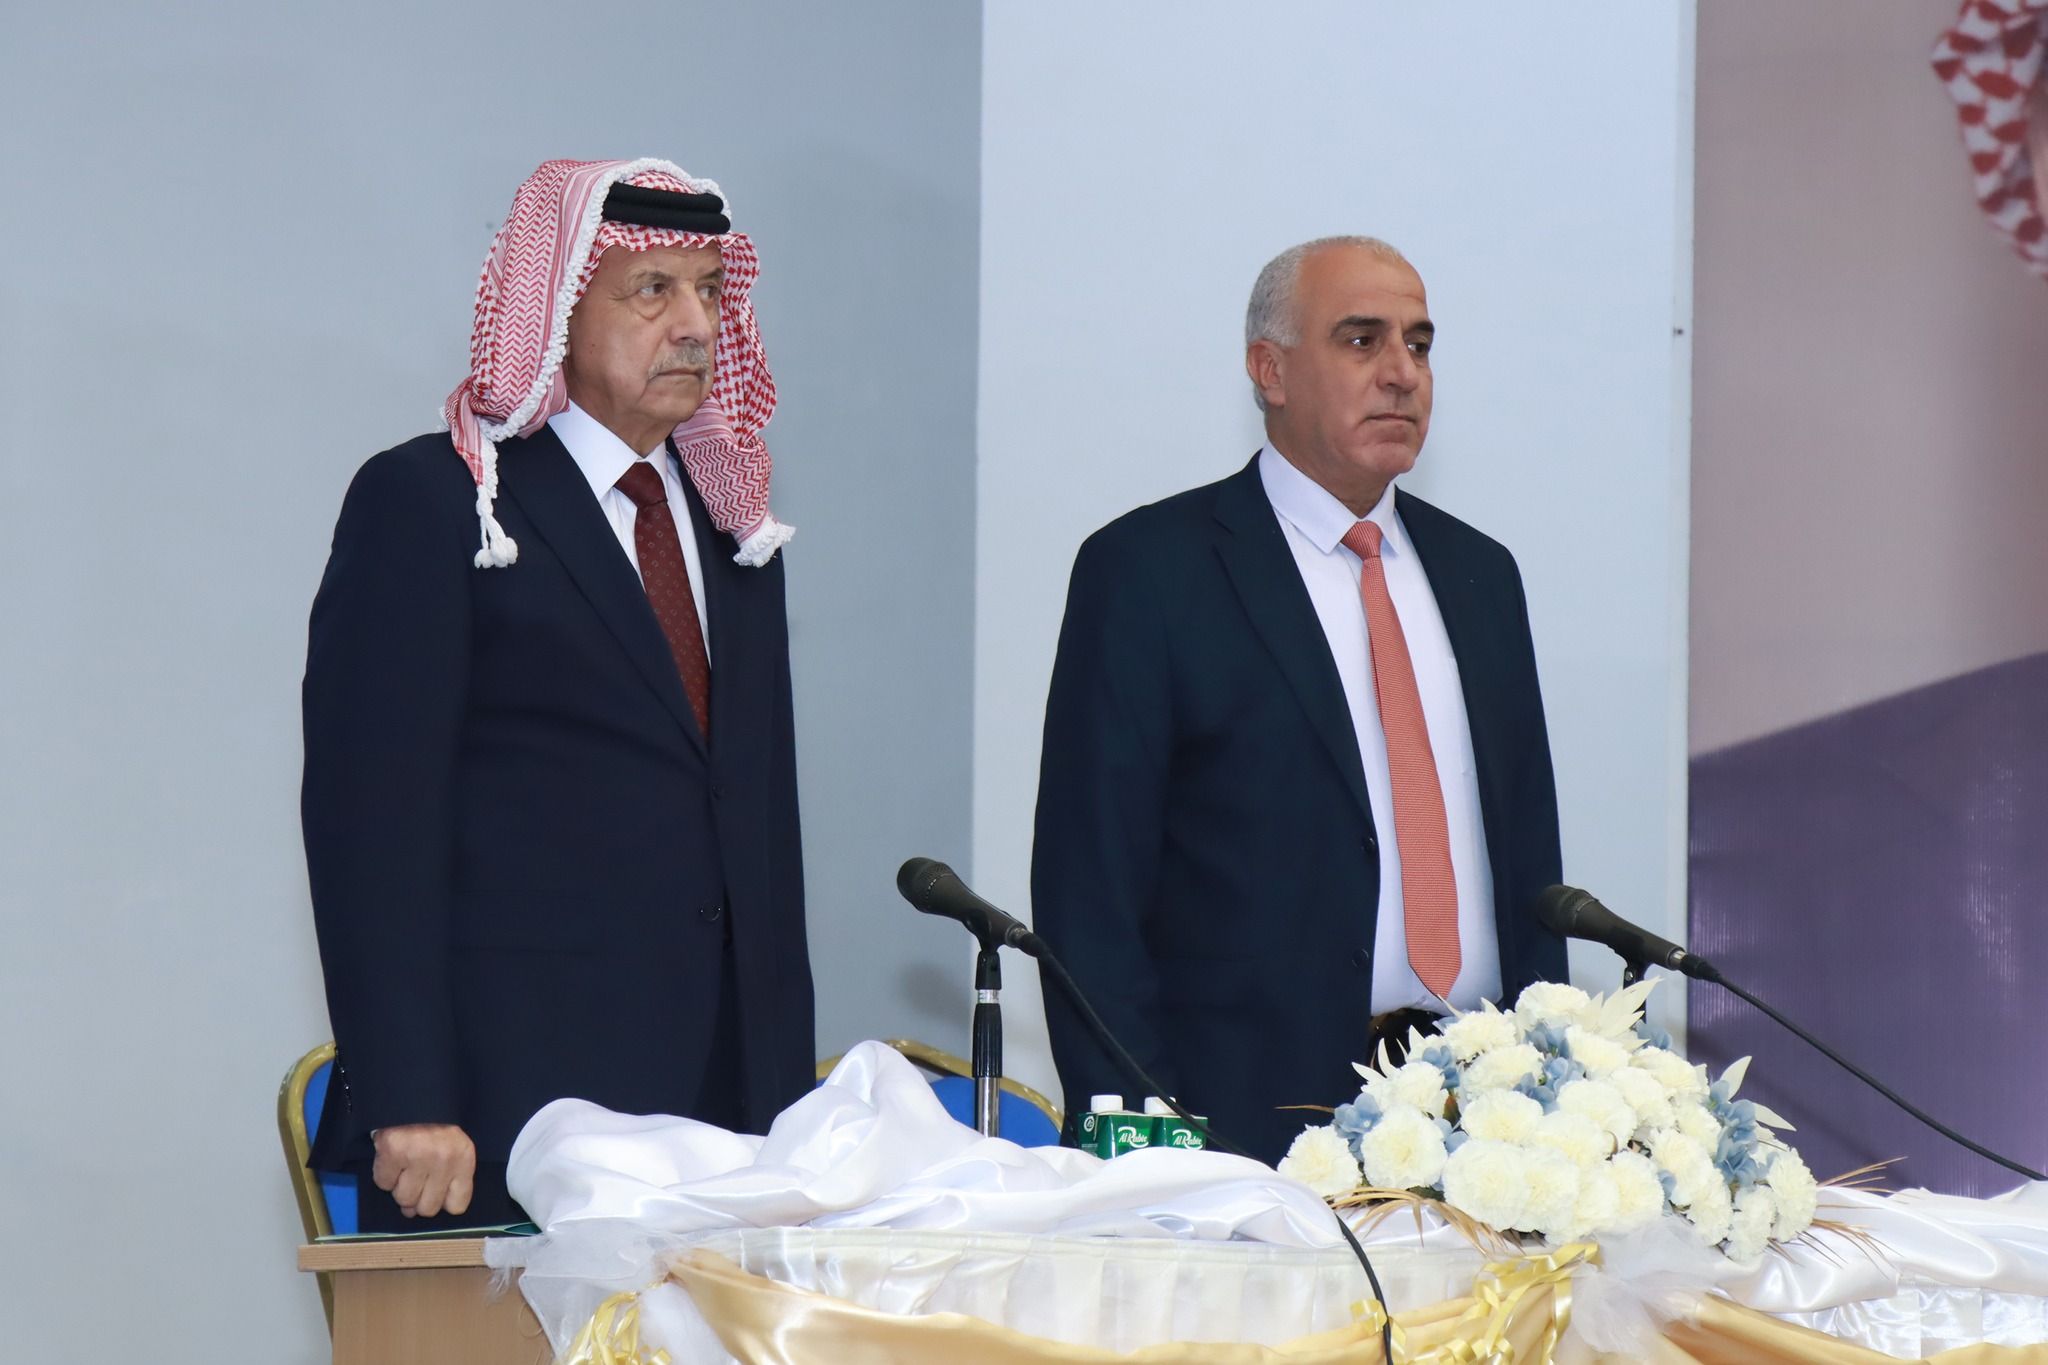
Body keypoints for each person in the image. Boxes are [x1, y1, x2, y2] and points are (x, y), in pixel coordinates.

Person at [302, 158, 813, 1229]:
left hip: (729, 1117)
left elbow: (755, 825)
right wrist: (410, 1094)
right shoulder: (439, 503)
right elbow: (371, 823)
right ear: (556, 313)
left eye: (710, 292)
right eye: (652, 290)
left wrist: (783, 1103)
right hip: (503, 1111)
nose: (695, 326)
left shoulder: (735, 528)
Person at [1031, 237, 1568, 1164]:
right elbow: (1092, 894)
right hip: (1239, 1129)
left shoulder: (1482, 575)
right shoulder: (1151, 572)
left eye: (1419, 344)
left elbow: (1529, 865)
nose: (1401, 372)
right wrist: (1147, 1146)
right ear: (1269, 370)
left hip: (1482, 1125)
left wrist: (1549, 1106)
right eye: (1362, 340)